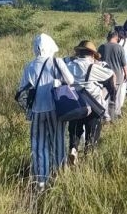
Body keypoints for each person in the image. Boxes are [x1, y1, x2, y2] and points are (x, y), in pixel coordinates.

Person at [17, 33, 74, 189]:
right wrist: (57, 82)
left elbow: (21, 90)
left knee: (38, 146)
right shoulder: (57, 62)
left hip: (36, 111)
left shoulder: (29, 66)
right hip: (56, 110)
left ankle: (41, 181)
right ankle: (60, 177)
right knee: (58, 143)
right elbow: (71, 81)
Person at [65, 40, 116, 162]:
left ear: (79, 52)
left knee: (75, 129)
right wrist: (110, 93)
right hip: (93, 105)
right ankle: (89, 154)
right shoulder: (93, 67)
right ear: (92, 54)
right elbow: (110, 75)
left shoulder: (69, 66)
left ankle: (73, 148)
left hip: (74, 104)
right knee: (92, 132)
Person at [98, 28, 127, 119]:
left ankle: (105, 115)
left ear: (108, 37)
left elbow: (97, 61)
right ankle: (114, 115)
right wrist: (126, 74)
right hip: (117, 77)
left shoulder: (102, 47)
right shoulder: (120, 48)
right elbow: (124, 64)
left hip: (104, 77)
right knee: (115, 97)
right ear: (117, 37)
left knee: (104, 97)